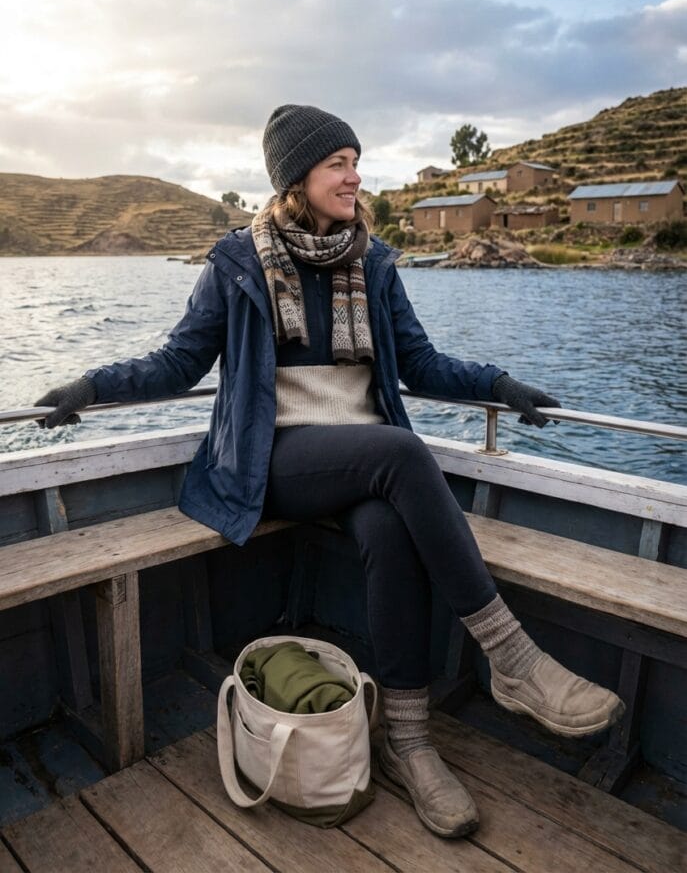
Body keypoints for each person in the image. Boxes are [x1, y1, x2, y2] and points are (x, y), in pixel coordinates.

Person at [36, 104, 624, 839]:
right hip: (272, 461)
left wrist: (498, 384)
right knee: (403, 454)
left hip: (361, 466)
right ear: (295, 178)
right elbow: (179, 361)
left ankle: (409, 744)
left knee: (389, 529)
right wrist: (90, 387)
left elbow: (419, 363)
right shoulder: (236, 262)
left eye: (355, 160)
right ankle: (510, 657)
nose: (353, 176)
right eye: (336, 163)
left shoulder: (372, 262)